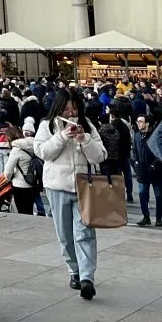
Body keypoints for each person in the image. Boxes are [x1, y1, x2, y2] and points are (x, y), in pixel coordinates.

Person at [34, 87, 106, 300]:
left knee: (84, 233)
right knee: (65, 235)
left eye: (74, 108)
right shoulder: (47, 126)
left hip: (84, 187)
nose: (71, 113)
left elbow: (100, 156)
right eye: (66, 109)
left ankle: (87, 278)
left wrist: (85, 140)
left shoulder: (88, 126)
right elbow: (43, 152)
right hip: (57, 186)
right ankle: (74, 270)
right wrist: (62, 137)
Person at [132, 114, 162, 228]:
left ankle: (158, 218)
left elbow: (160, 153)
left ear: (147, 123)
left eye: (141, 121)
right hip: (142, 170)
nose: (138, 123)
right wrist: (136, 163)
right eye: (138, 121)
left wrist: (153, 165)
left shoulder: (154, 136)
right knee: (142, 194)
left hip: (156, 171)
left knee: (158, 196)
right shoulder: (137, 135)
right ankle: (145, 216)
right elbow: (134, 151)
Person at [3, 119, 42, 215]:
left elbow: (8, 171)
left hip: (20, 185)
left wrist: (7, 179)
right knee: (29, 209)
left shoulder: (16, 150)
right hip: (33, 183)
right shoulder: (34, 145)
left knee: (21, 210)